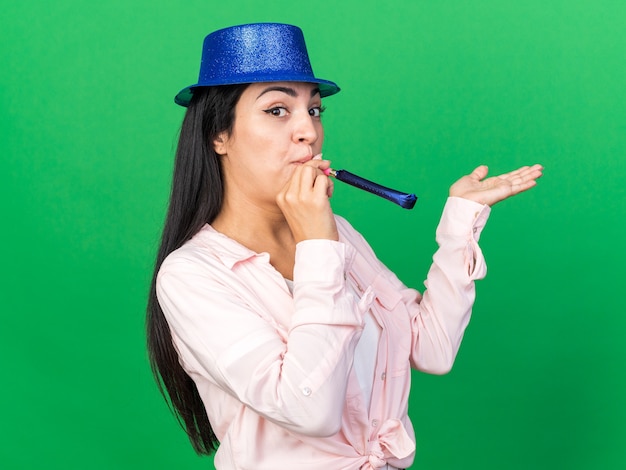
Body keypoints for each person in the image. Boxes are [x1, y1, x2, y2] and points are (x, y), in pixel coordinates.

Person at [146, 23, 543, 470]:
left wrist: (459, 224)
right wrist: (317, 244)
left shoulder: (339, 234)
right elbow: (308, 409)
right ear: (219, 136)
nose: (308, 132)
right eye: (277, 110)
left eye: (314, 110)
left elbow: (432, 347)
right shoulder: (192, 275)